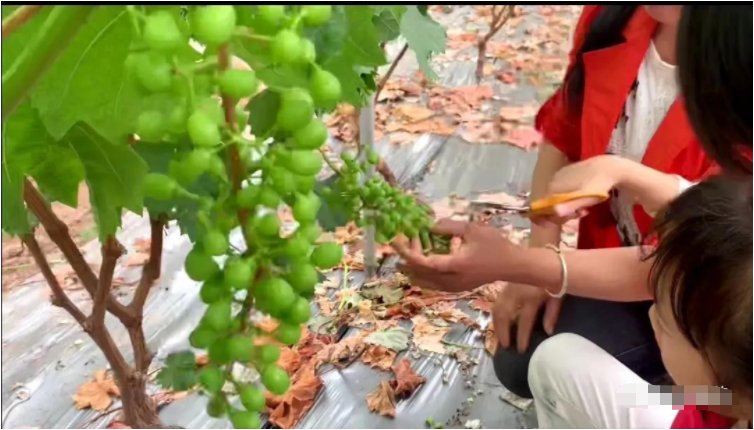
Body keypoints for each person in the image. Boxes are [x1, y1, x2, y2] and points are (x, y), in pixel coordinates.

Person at [392, 3, 752, 399]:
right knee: (523, 356)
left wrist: (522, 265)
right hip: (624, 258)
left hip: (713, 298)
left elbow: (708, 247)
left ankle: (709, 404)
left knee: (700, 389)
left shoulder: (739, 66)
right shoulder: (613, 18)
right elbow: (564, 130)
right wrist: (540, 252)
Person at [528, 176, 752, 428]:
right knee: (555, 361)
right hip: (702, 398)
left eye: (666, 325)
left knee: (552, 361)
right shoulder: (729, 396)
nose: (651, 316)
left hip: (700, 400)